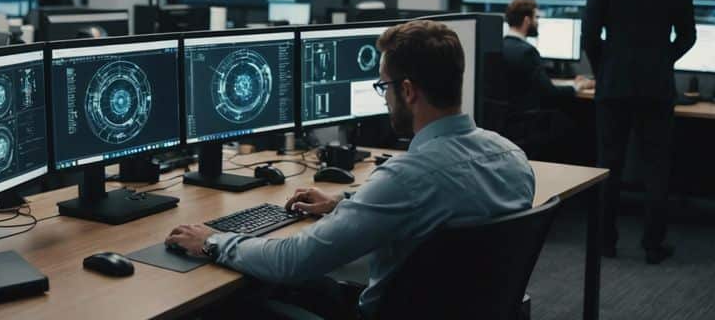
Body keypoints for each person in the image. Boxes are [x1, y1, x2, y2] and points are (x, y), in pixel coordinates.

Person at [165, 20, 536, 319]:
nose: (385, 98)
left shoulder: (406, 179)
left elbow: (294, 261)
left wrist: (213, 240)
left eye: (384, 86)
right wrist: (346, 201)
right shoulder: (512, 158)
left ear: (408, 91)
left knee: (231, 304)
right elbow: (442, 198)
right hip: (462, 308)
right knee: (312, 287)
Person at [582, 0, 696, 265]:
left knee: (609, 165)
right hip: (656, 87)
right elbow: (688, 35)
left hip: (614, 85)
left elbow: (589, 34)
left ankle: (606, 243)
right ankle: (652, 245)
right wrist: (663, 61)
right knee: (656, 167)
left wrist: (605, 68)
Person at [503, 0, 593, 110]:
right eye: (536, 17)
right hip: (528, 121)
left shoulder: (500, 47)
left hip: (506, 118)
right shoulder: (527, 52)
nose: (538, 22)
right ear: (527, 20)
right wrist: (576, 87)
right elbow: (550, 92)